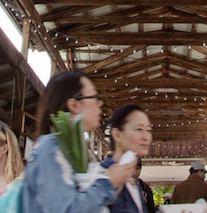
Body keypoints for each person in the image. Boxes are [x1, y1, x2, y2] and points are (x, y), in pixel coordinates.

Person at [23, 70, 133, 213]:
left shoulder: (71, 151)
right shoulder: (52, 147)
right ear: (74, 105)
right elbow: (65, 210)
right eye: (95, 97)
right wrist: (109, 183)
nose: (100, 103)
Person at [101, 104, 153, 213]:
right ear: (117, 135)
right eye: (139, 129)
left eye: (148, 130)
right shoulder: (101, 176)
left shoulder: (133, 181)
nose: (146, 137)